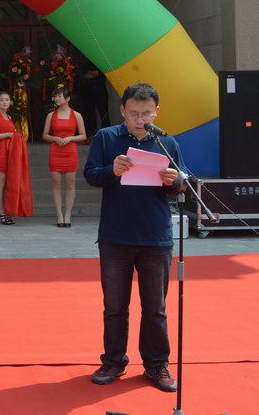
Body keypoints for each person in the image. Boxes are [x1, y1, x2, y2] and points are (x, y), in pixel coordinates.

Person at [85, 82, 184, 393]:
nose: (140, 120)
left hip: (155, 236)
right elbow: (91, 175)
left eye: (146, 113)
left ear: (157, 112)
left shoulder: (167, 143)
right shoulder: (106, 137)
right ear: (122, 110)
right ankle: (113, 361)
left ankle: (157, 365)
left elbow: (181, 185)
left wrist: (173, 180)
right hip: (116, 235)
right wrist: (112, 170)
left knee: (155, 307)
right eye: (134, 113)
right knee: (115, 305)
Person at [42, 86, 87, 228]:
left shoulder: (77, 115)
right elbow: (45, 135)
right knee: (56, 183)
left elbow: (83, 136)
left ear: (67, 99)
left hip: (70, 152)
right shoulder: (51, 115)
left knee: (70, 184)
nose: (56, 98)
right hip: (55, 151)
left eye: (59, 96)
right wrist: (54, 138)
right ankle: (59, 216)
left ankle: (67, 215)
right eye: (55, 96)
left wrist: (71, 138)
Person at [0, 91, 33, 225]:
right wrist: (8, 134)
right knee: (1, 182)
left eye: (7, 100)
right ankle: (2, 213)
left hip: (11, 153)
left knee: (8, 182)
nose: (4, 102)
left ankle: (5, 211)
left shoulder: (8, 116)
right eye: (2, 100)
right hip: (2, 152)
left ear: (10, 102)